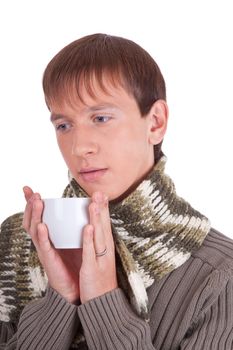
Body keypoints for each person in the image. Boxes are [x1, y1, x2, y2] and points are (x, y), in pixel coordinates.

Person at [0, 33, 233, 350]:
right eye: (64, 125)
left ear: (155, 123)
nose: (80, 146)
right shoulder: (17, 242)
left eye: (100, 118)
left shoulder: (220, 274)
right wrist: (60, 298)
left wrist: (104, 302)